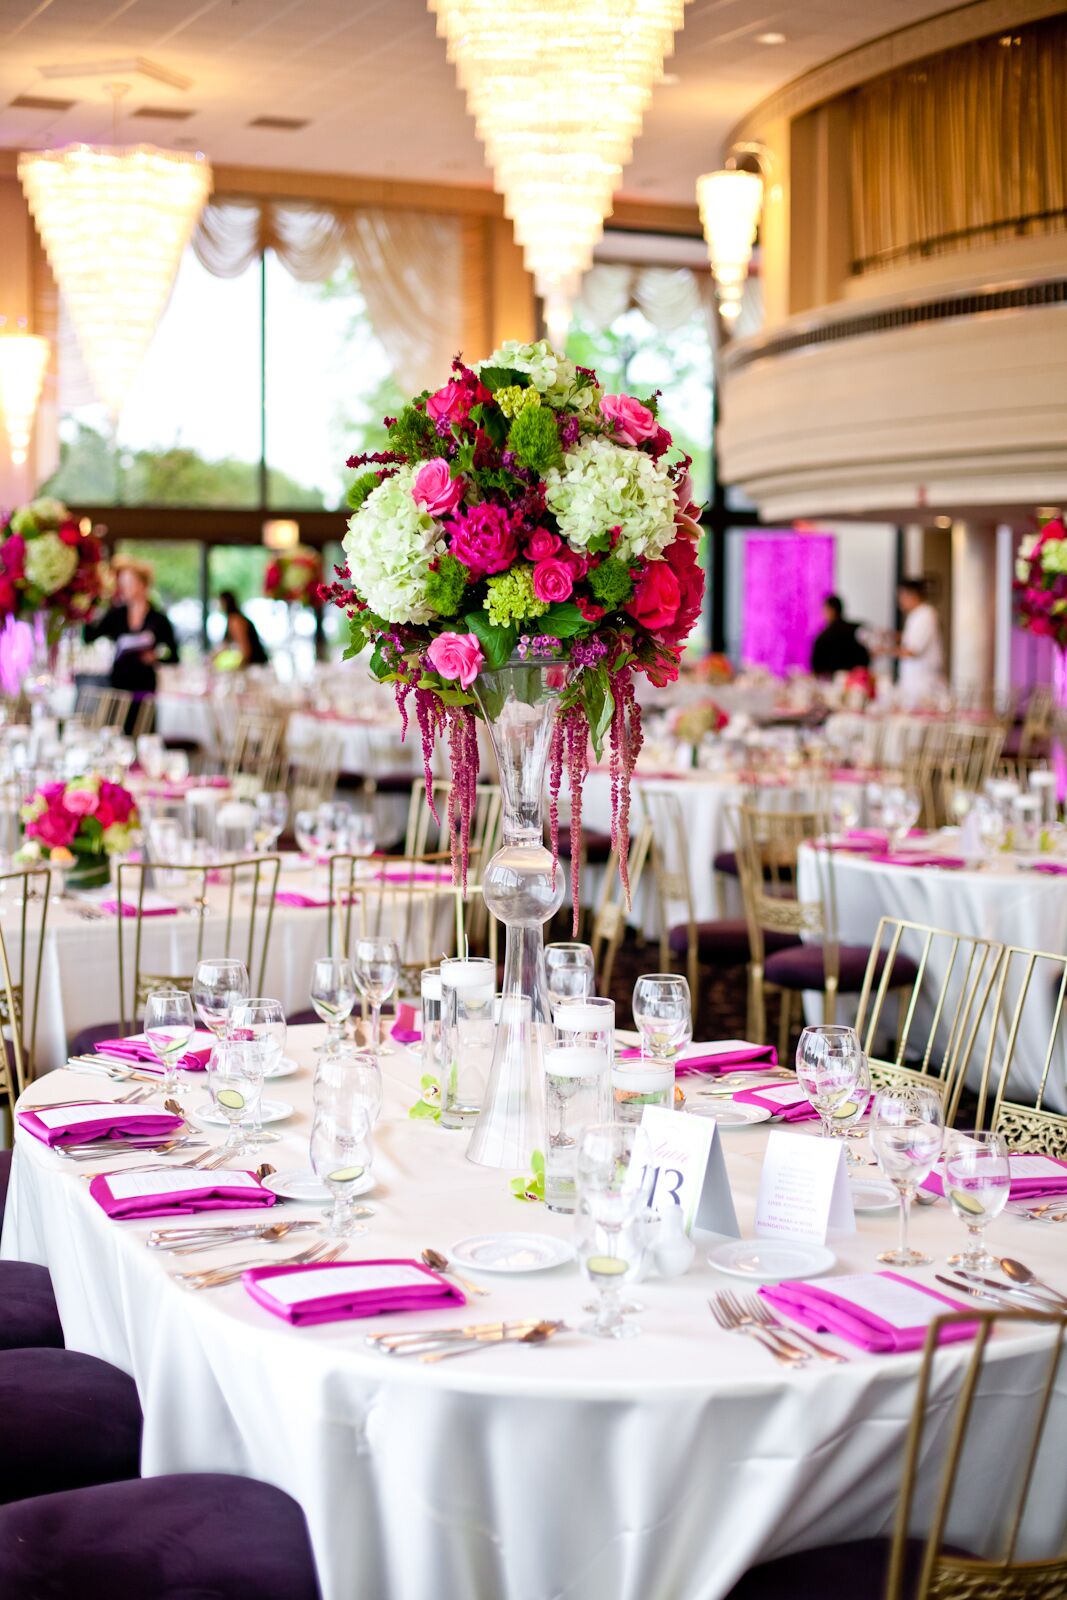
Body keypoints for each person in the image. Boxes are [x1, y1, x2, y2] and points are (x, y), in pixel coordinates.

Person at [84, 555, 178, 697]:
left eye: (129, 583)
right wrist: (94, 601)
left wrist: (155, 658)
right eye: (122, 584)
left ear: (143, 584)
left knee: (143, 719)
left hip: (145, 688)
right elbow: (89, 636)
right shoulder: (116, 615)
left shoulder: (159, 619)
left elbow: (174, 657)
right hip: (118, 686)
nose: (124, 588)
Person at [894, 578, 945, 705]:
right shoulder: (916, 615)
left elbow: (913, 650)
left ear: (912, 594)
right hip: (915, 683)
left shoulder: (926, 615)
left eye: (901, 595)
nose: (900, 600)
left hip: (923, 684)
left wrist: (884, 651)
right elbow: (910, 639)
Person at [810, 594, 870, 677]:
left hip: (831, 684)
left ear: (831, 610)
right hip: (857, 681)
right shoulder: (857, 630)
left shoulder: (822, 638)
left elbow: (817, 669)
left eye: (824, 610)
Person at [216, 590, 269, 668]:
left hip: (256, 667)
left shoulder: (236, 621)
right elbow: (225, 645)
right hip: (255, 665)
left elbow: (246, 651)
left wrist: (236, 668)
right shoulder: (233, 619)